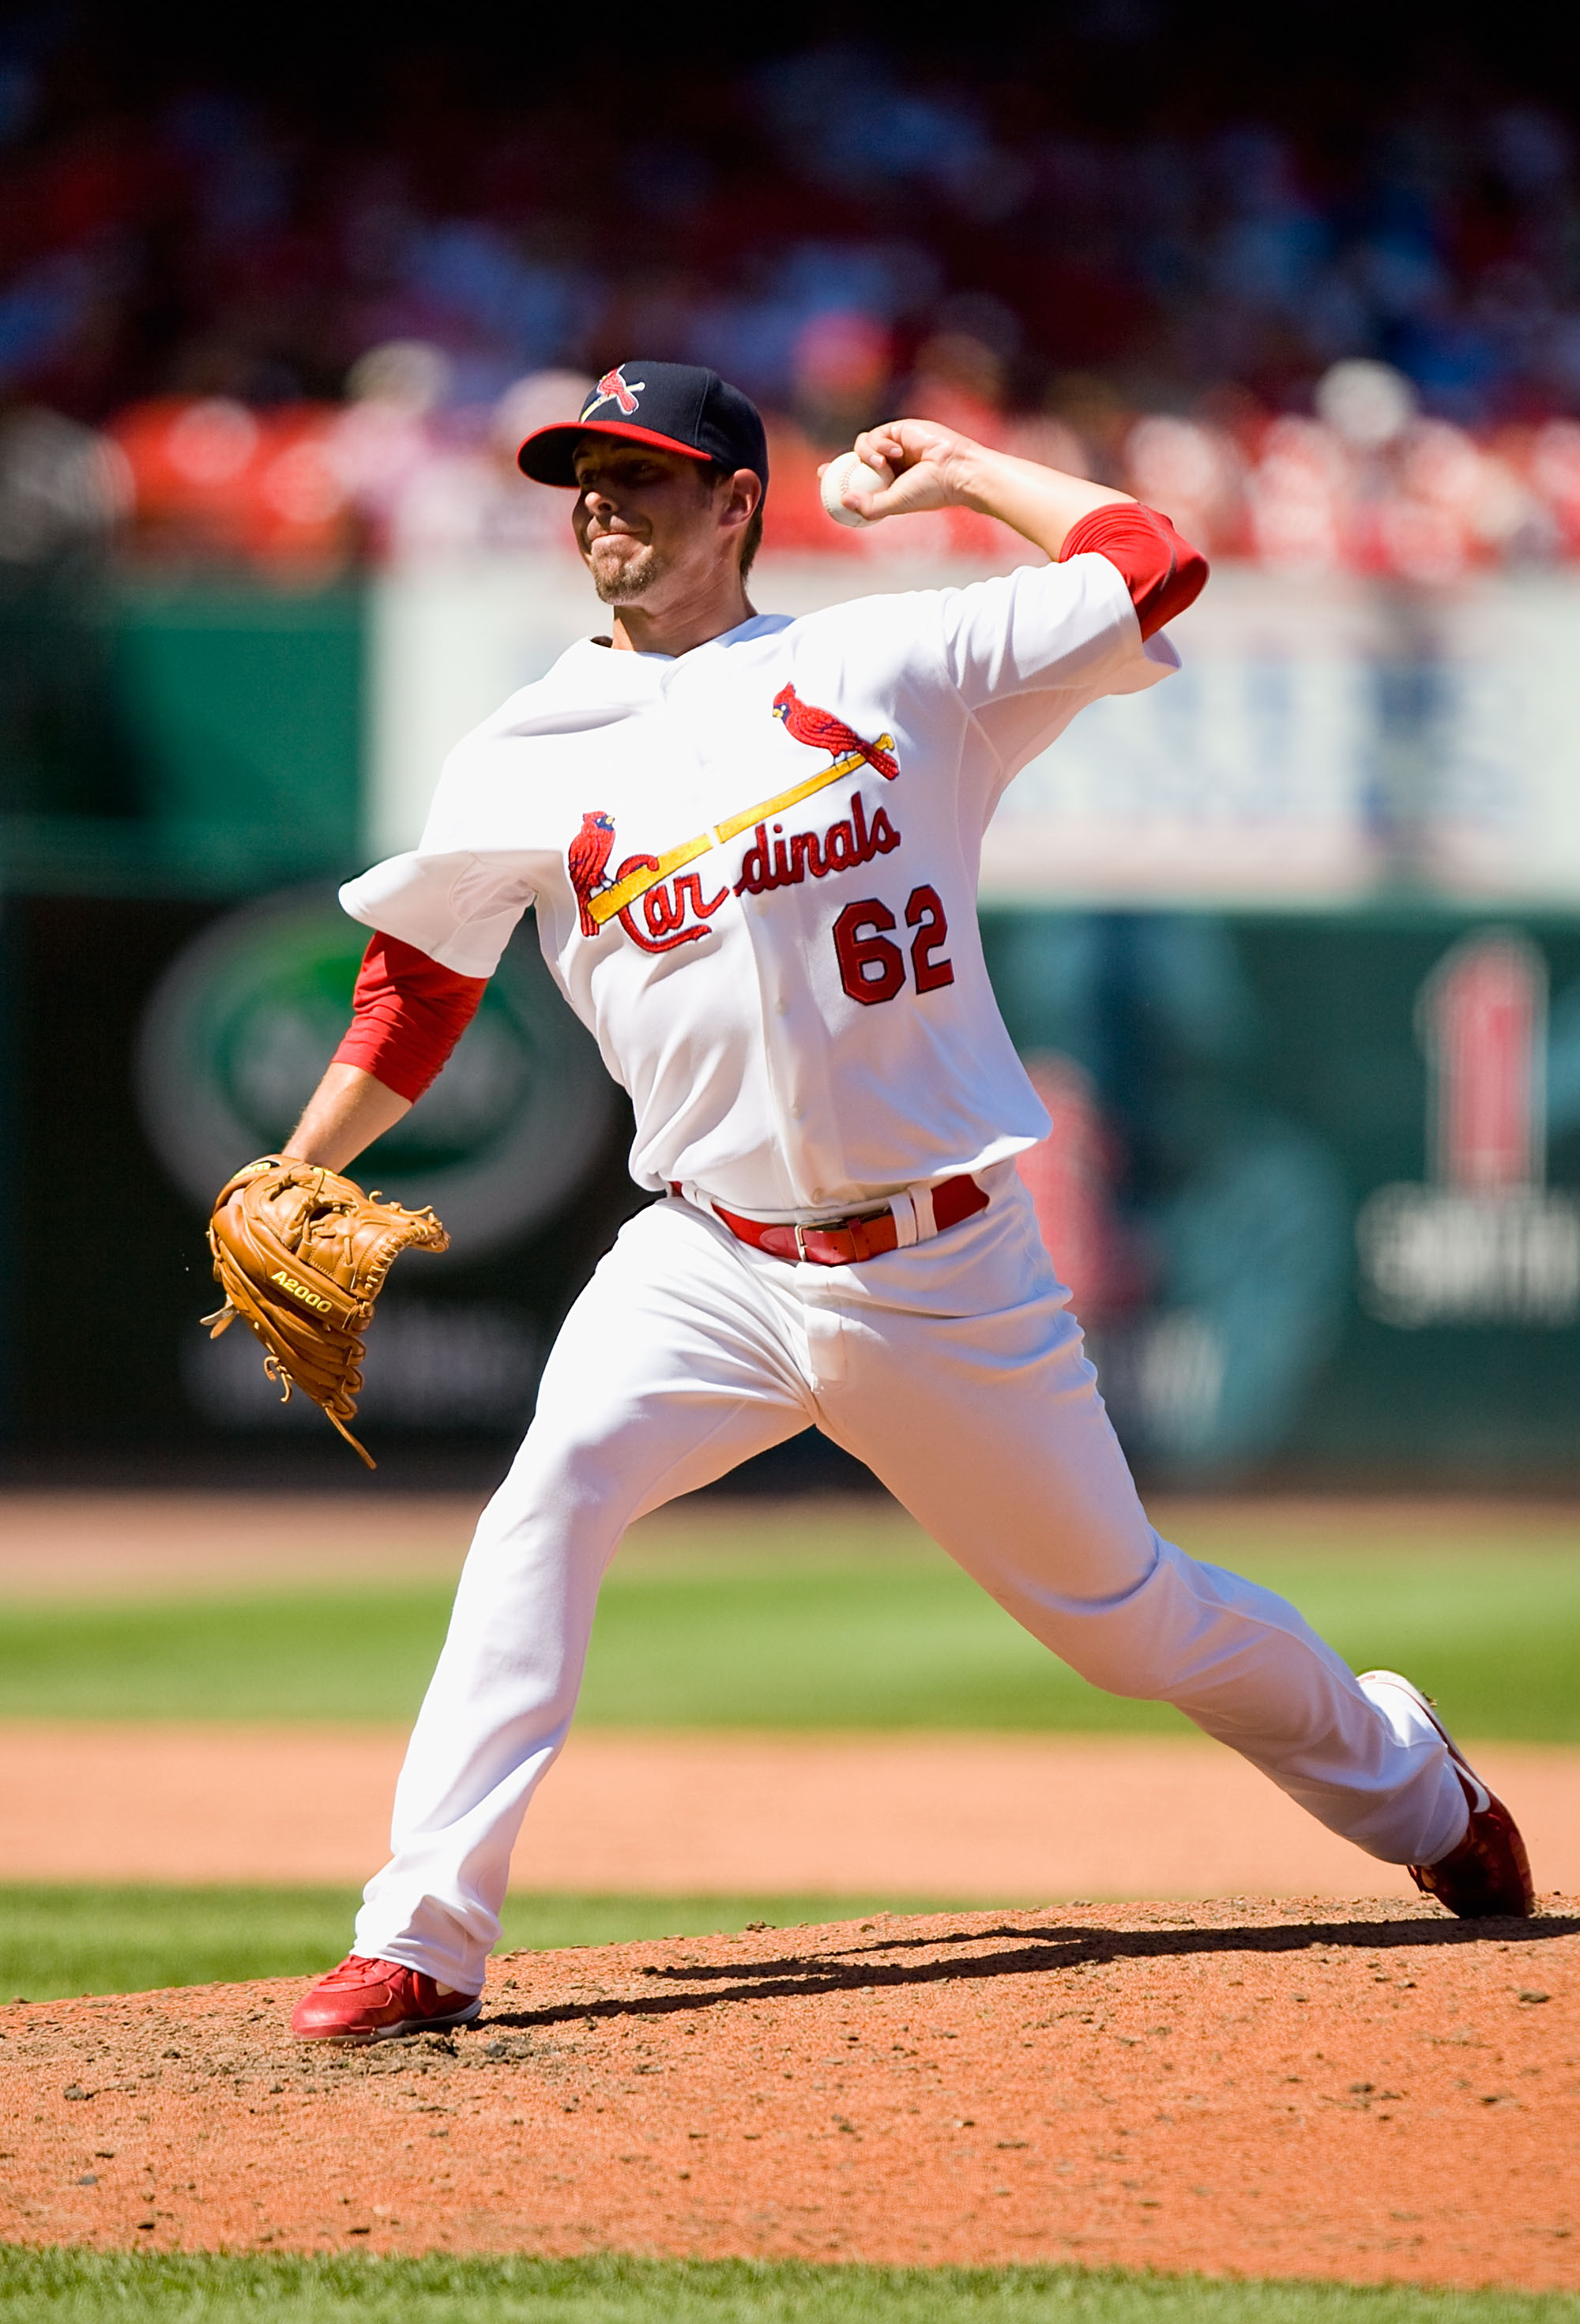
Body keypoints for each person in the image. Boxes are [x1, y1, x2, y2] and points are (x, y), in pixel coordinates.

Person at [284, 360, 1533, 2042]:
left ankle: (1411, 1785)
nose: (603, 501)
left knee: (1125, 1621)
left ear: (736, 502)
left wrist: (959, 466)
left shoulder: (890, 660)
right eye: (582, 474)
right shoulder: (518, 750)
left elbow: (1152, 563)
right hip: (704, 1259)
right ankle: (421, 1932)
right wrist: (301, 1168)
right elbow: (412, 990)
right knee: (546, 1503)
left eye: (645, 474)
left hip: (938, 1262)